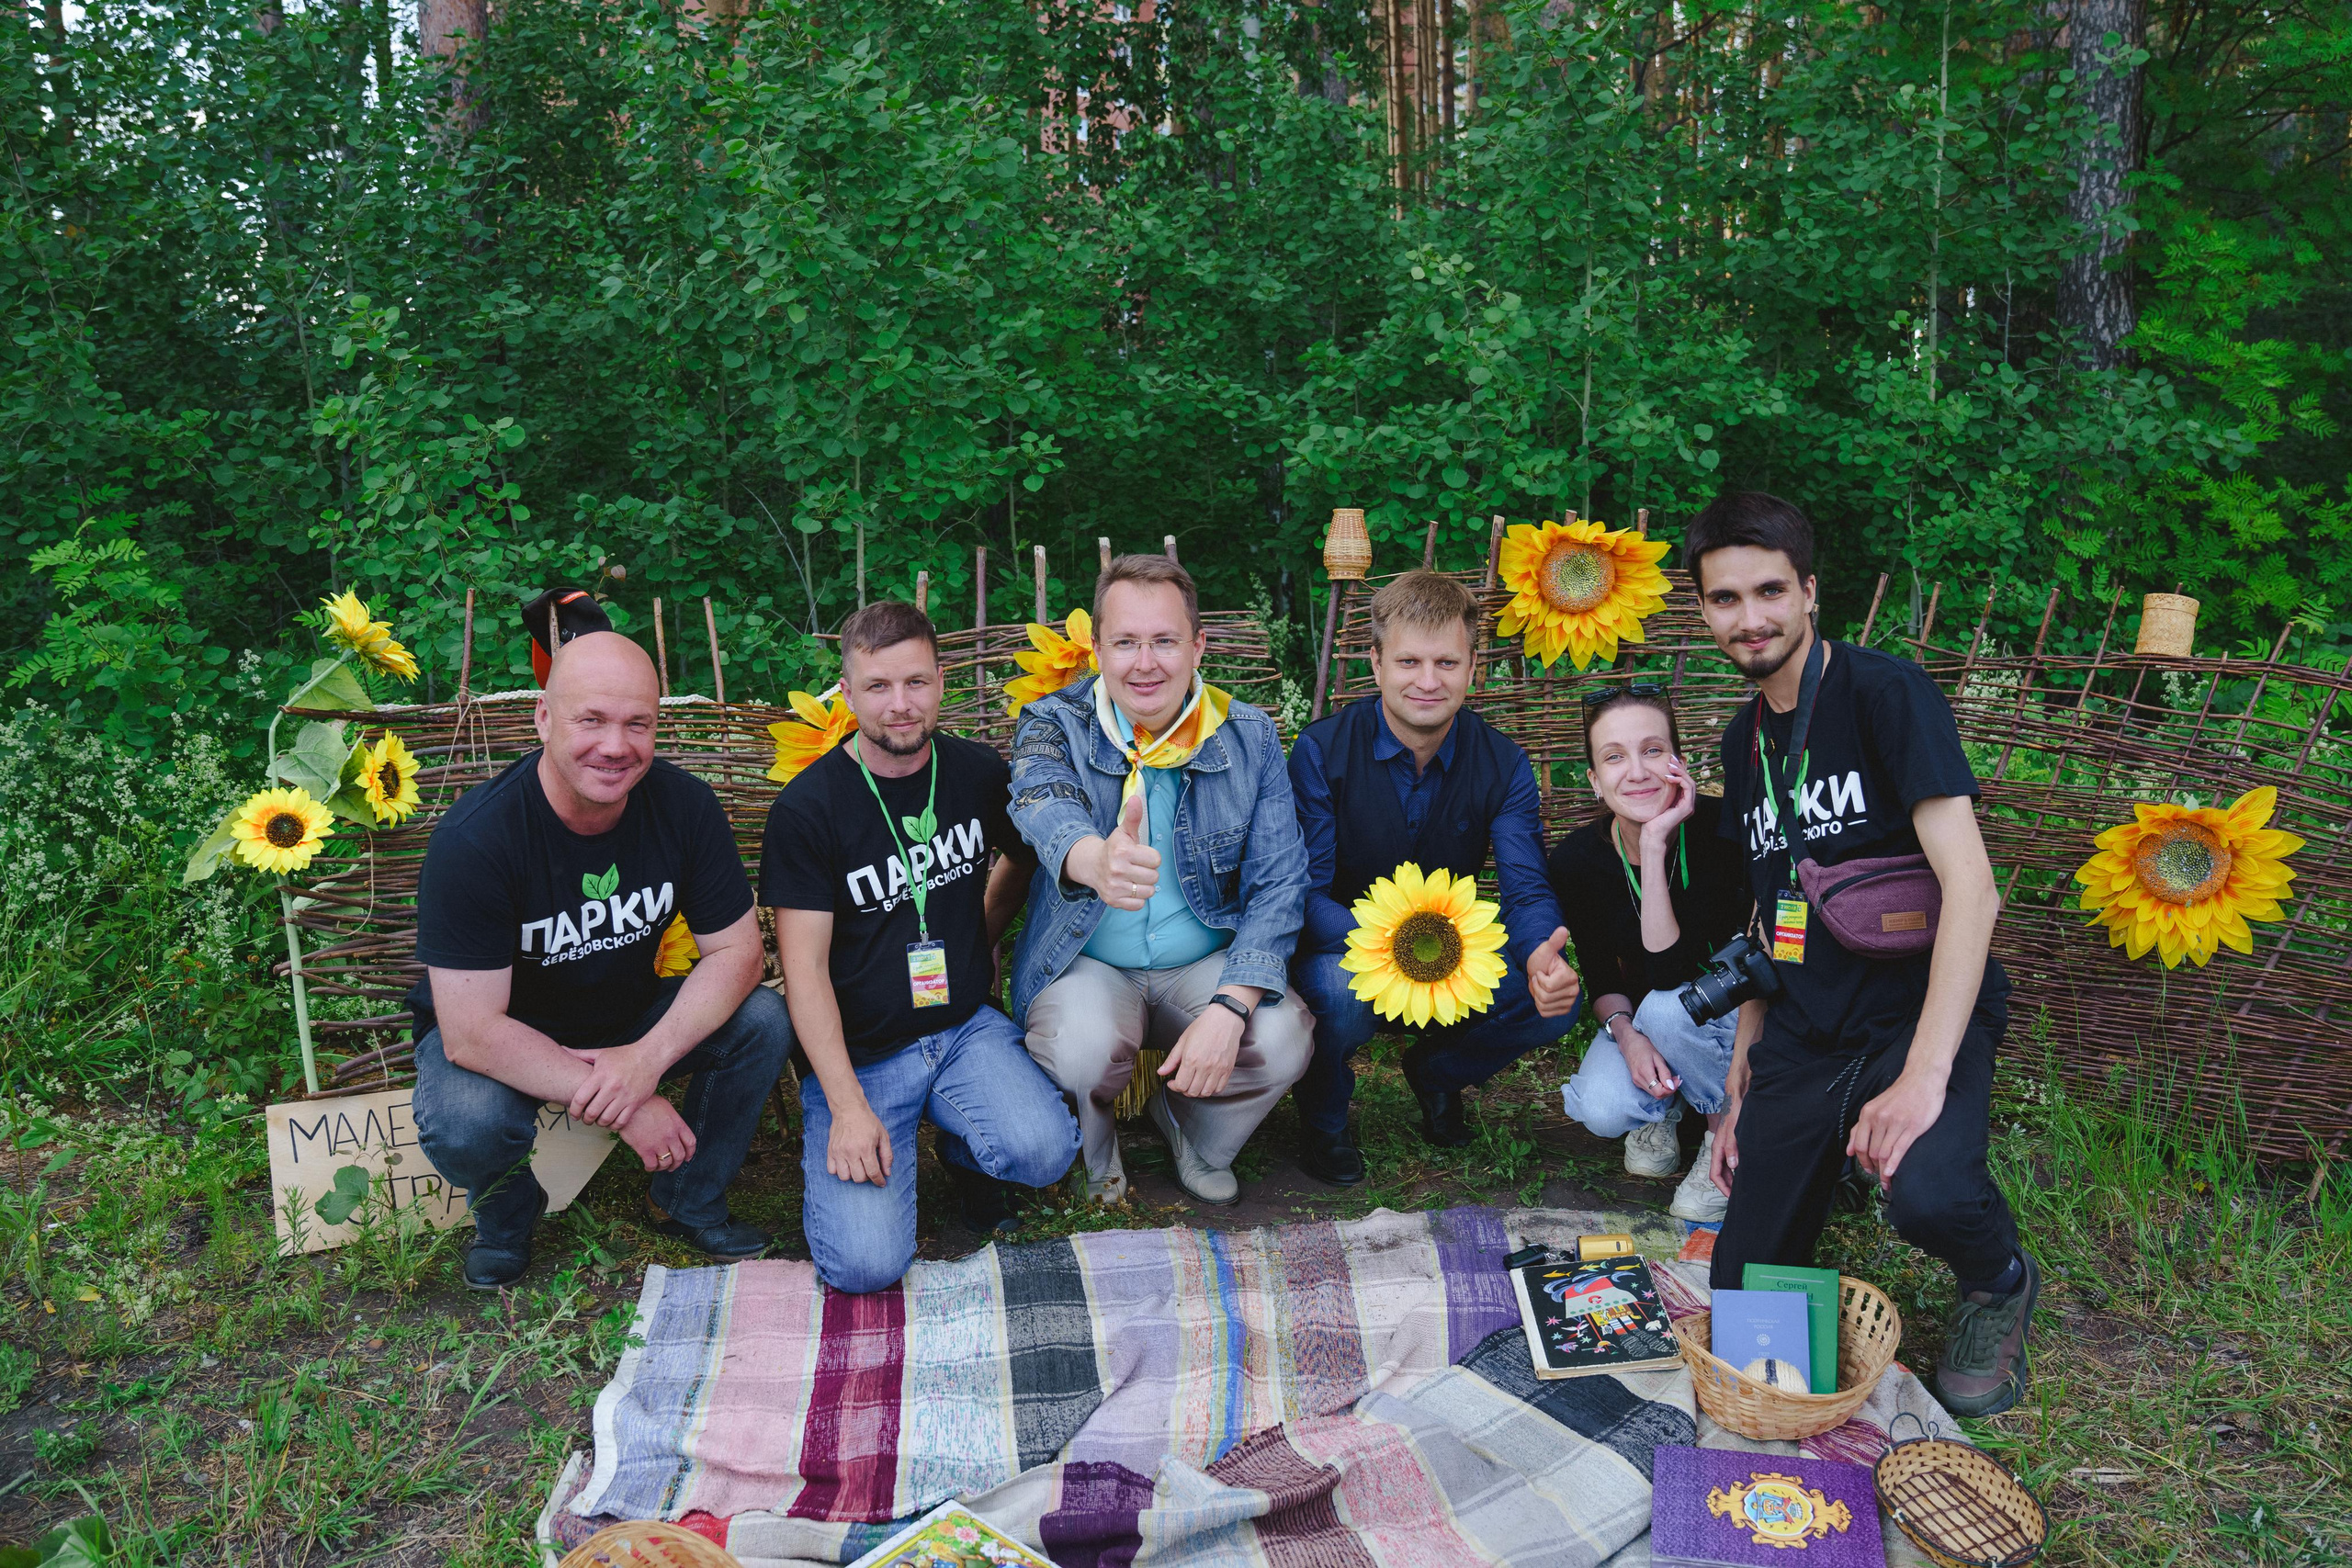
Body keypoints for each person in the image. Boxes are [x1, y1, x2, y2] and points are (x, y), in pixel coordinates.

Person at [1688, 490, 2034, 1417]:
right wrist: (1739, 1084)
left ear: (1808, 592)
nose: (1750, 618)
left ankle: (1998, 1278)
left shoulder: (1885, 692)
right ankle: (1810, 1158)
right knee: (1743, 1286)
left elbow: (1974, 886)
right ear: (1704, 612)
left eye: (1769, 591)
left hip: (1909, 1014)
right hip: (1807, 1026)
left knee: (1922, 1193)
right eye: (1726, 600)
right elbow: (1767, 926)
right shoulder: (1741, 738)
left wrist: (1922, 1077)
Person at [412, 631, 791, 1291]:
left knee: (760, 1019)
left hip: (626, 1015)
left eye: (636, 724)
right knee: (466, 1117)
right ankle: (507, 1216)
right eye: (592, 720)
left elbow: (738, 953)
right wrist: (630, 1103)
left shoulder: (685, 806)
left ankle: (685, 1198)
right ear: (544, 718)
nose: (615, 746)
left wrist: (643, 1061)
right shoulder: (475, 841)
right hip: (507, 1039)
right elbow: (473, 1030)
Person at [763, 602, 1080, 1293]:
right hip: (864, 1055)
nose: (900, 705)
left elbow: (1022, 859)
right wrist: (848, 1106)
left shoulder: (975, 772)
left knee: (1045, 1150)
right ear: (846, 693)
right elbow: (805, 973)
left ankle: (964, 1155)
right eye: (878, 686)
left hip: (964, 1027)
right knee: (864, 1266)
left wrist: (984, 936)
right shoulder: (808, 810)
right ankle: (869, 1137)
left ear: (941, 681)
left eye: (915, 682)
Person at [1009, 554, 1315, 1206]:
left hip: (1201, 959)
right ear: (1096, 648)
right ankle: (1096, 1152)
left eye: (1164, 641)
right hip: (1090, 960)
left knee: (1283, 1033)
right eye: (1125, 642)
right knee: (1077, 1047)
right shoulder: (1051, 724)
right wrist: (1096, 860)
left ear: (1198, 644)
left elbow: (1280, 882)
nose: (1144, 663)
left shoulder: (1249, 734)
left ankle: (1194, 1130)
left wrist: (1233, 1006)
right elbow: (1042, 803)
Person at [1288, 570, 1577, 1184]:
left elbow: (1525, 887)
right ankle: (1325, 1120)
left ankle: (1438, 1072)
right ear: (1376, 661)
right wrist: (1385, 946)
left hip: (1447, 955)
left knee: (1549, 1001)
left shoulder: (1504, 762)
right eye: (1409, 661)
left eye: (1446, 662)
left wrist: (1542, 950)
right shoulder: (1320, 751)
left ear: (1473, 665)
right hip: (1346, 953)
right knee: (1336, 994)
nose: (1427, 680)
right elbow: (1305, 892)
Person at [1543, 687, 1750, 1222]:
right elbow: (1598, 971)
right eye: (1614, 756)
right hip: (1652, 1020)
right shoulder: (1578, 861)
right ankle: (1664, 1104)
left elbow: (1668, 973)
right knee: (1603, 1107)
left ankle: (1720, 1133)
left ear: (1679, 761)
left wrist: (1656, 844)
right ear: (1593, 779)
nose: (1636, 771)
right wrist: (1627, 1037)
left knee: (1666, 1005)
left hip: (1739, 1020)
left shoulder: (1727, 831)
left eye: (1653, 750)